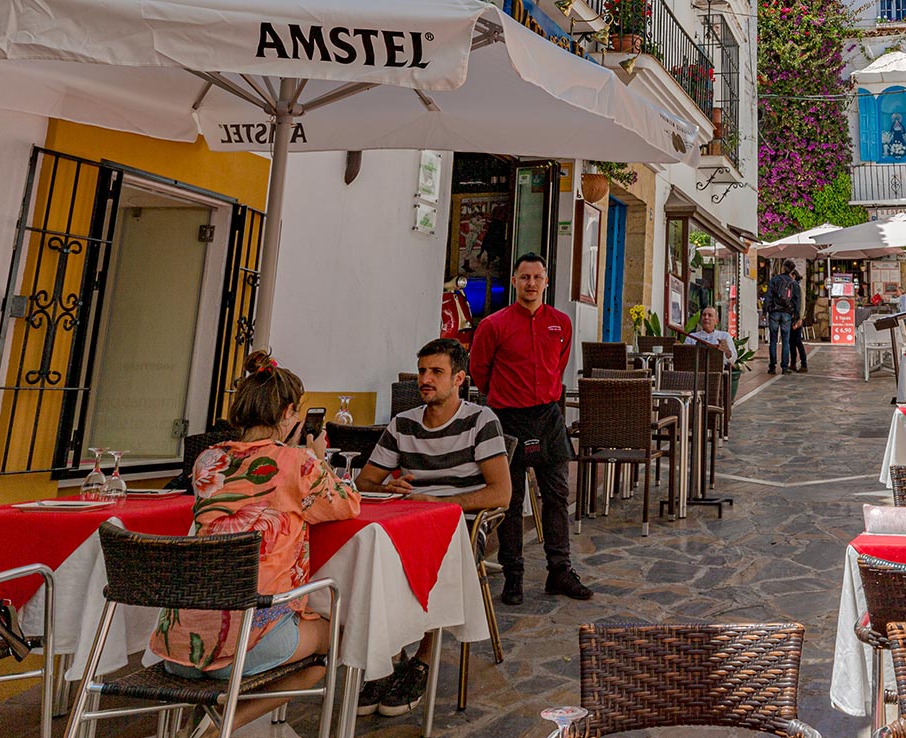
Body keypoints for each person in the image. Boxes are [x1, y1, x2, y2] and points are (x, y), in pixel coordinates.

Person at [153, 352, 358, 731]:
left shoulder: (207, 460)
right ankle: (223, 726)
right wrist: (316, 457)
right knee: (342, 639)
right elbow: (346, 505)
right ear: (289, 412)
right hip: (245, 646)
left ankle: (211, 714)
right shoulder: (296, 464)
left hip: (177, 648)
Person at [354, 337, 512, 716]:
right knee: (374, 559)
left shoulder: (480, 421)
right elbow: (364, 482)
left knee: (430, 562)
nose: (426, 379)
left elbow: (501, 493)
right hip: (409, 521)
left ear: (459, 378)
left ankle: (422, 660)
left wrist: (441, 504)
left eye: (436, 372)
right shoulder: (403, 424)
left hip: (462, 527)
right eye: (423, 371)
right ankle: (388, 658)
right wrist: (387, 485)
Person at [468, 252, 592, 605]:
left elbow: (560, 363)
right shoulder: (494, 324)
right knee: (510, 499)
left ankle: (560, 571)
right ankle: (513, 576)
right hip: (508, 419)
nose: (531, 283)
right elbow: (480, 371)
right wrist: (506, 395)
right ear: (514, 281)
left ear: (546, 282)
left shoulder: (560, 323)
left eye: (537, 278)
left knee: (556, 496)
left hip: (548, 416)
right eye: (525, 277)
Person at [764, 262, 801, 374]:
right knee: (786, 341)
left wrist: (765, 310)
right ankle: (785, 367)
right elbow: (797, 301)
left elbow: (768, 296)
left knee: (773, 340)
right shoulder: (794, 283)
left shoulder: (775, 280)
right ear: (792, 270)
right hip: (787, 314)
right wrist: (796, 316)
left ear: (783, 268)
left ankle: (772, 366)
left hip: (774, 312)